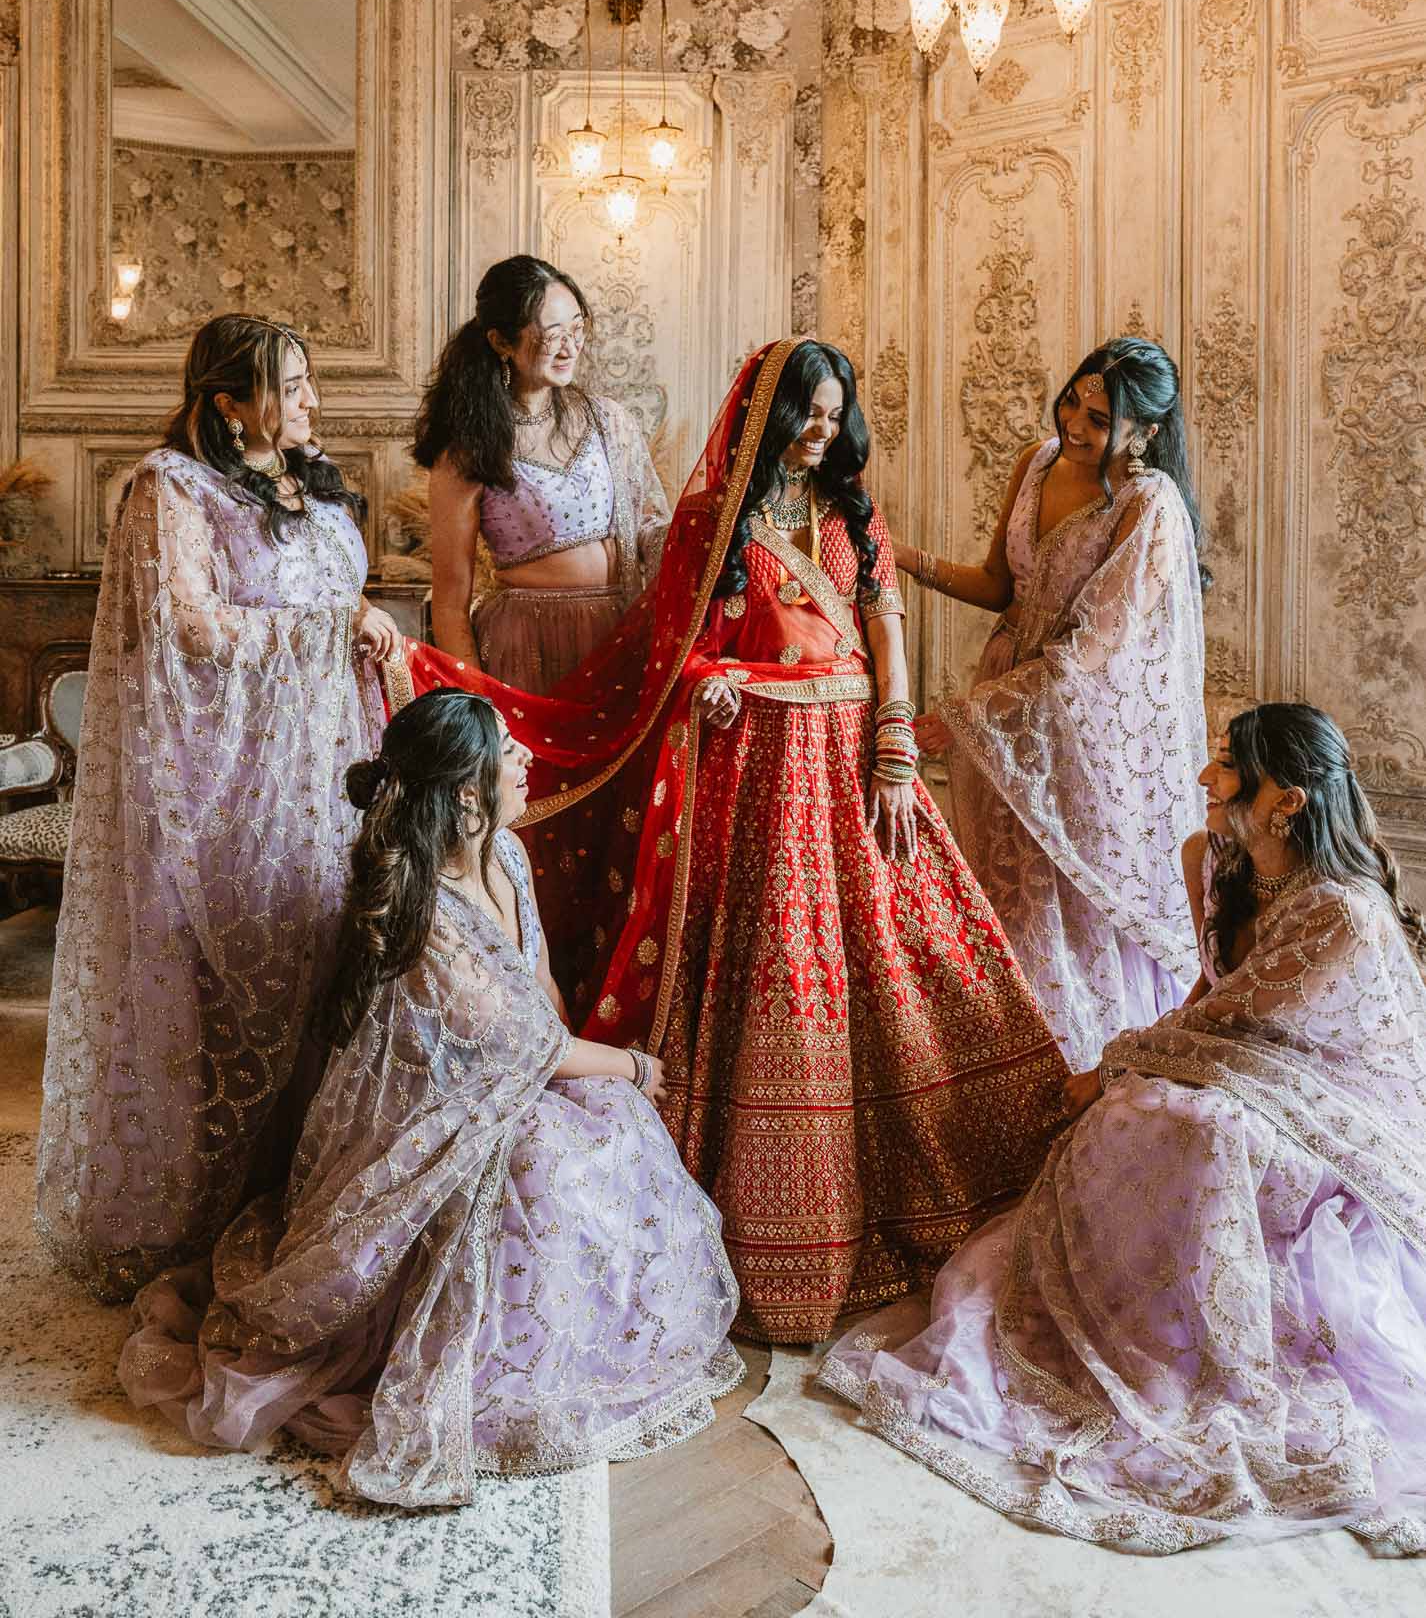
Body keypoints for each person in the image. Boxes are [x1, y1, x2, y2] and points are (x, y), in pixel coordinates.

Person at [386, 340, 1067, 1345]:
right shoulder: (710, 523)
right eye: (808, 410)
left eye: (836, 413)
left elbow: (884, 626)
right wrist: (711, 674)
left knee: (905, 960)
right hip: (754, 773)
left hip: (849, 760)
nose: (822, 428)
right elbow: (680, 647)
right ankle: (765, 1221)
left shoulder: (852, 514)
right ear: (766, 413)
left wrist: (894, 739)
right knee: (772, 976)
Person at [821, 704, 1426, 1556]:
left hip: (1335, 1108)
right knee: (1152, 1112)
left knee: (1190, 1124)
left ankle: (1189, 1363)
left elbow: (1247, 1023)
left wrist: (1110, 1069)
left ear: (1286, 801)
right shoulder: (1216, 863)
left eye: (1226, 766)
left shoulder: (1342, 911)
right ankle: (1131, 1328)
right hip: (1247, 1067)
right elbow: (1210, 1005)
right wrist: (1124, 1074)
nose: (1206, 780)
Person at [118, 689, 743, 1502]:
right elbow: (522, 1045)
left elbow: (540, 991)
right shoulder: (426, 909)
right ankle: (498, 1363)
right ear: (466, 793)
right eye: (508, 750)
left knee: (606, 1127)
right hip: (431, 1111)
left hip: (509, 1080)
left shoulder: (508, 857)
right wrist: (630, 1064)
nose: (526, 760)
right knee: (552, 1152)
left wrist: (598, 1078)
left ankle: (591, 1340)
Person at [35, 315, 399, 1302]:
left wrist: (363, 635)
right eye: (292, 382)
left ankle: (299, 1195)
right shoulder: (171, 487)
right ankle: (198, 1214)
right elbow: (183, 624)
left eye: (312, 378)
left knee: (327, 957)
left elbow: (336, 598)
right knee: (223, 991)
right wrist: (332, 624)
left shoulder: (308, 485)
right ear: (228, 401)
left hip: (325, 765)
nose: (314, 399)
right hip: (225, 785)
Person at [909, 337, 1208, 1070]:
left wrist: (963, 716)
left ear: (1147, 433)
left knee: (1060, 907)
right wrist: (901, 559)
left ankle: (1067, 1068)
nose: (1076, 422)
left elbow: (1084, 659)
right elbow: (996, 585)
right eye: (1074, 398)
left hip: (1077, 726)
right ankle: (992, 1063)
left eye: (1100, 418)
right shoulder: (1038, 462)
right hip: (1003, 700)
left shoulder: (1150, 507)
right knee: (999, 891)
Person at [413, 255, 669, 692]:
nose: (570, 347)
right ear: (501, 342)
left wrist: (709, 531)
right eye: (553, 334)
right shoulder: (469, 449)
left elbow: (649, 524)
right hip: (526, 644)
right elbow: (451, 604)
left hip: (618, 634)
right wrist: (481, 705)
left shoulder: (608, 420)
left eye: (577, 329)